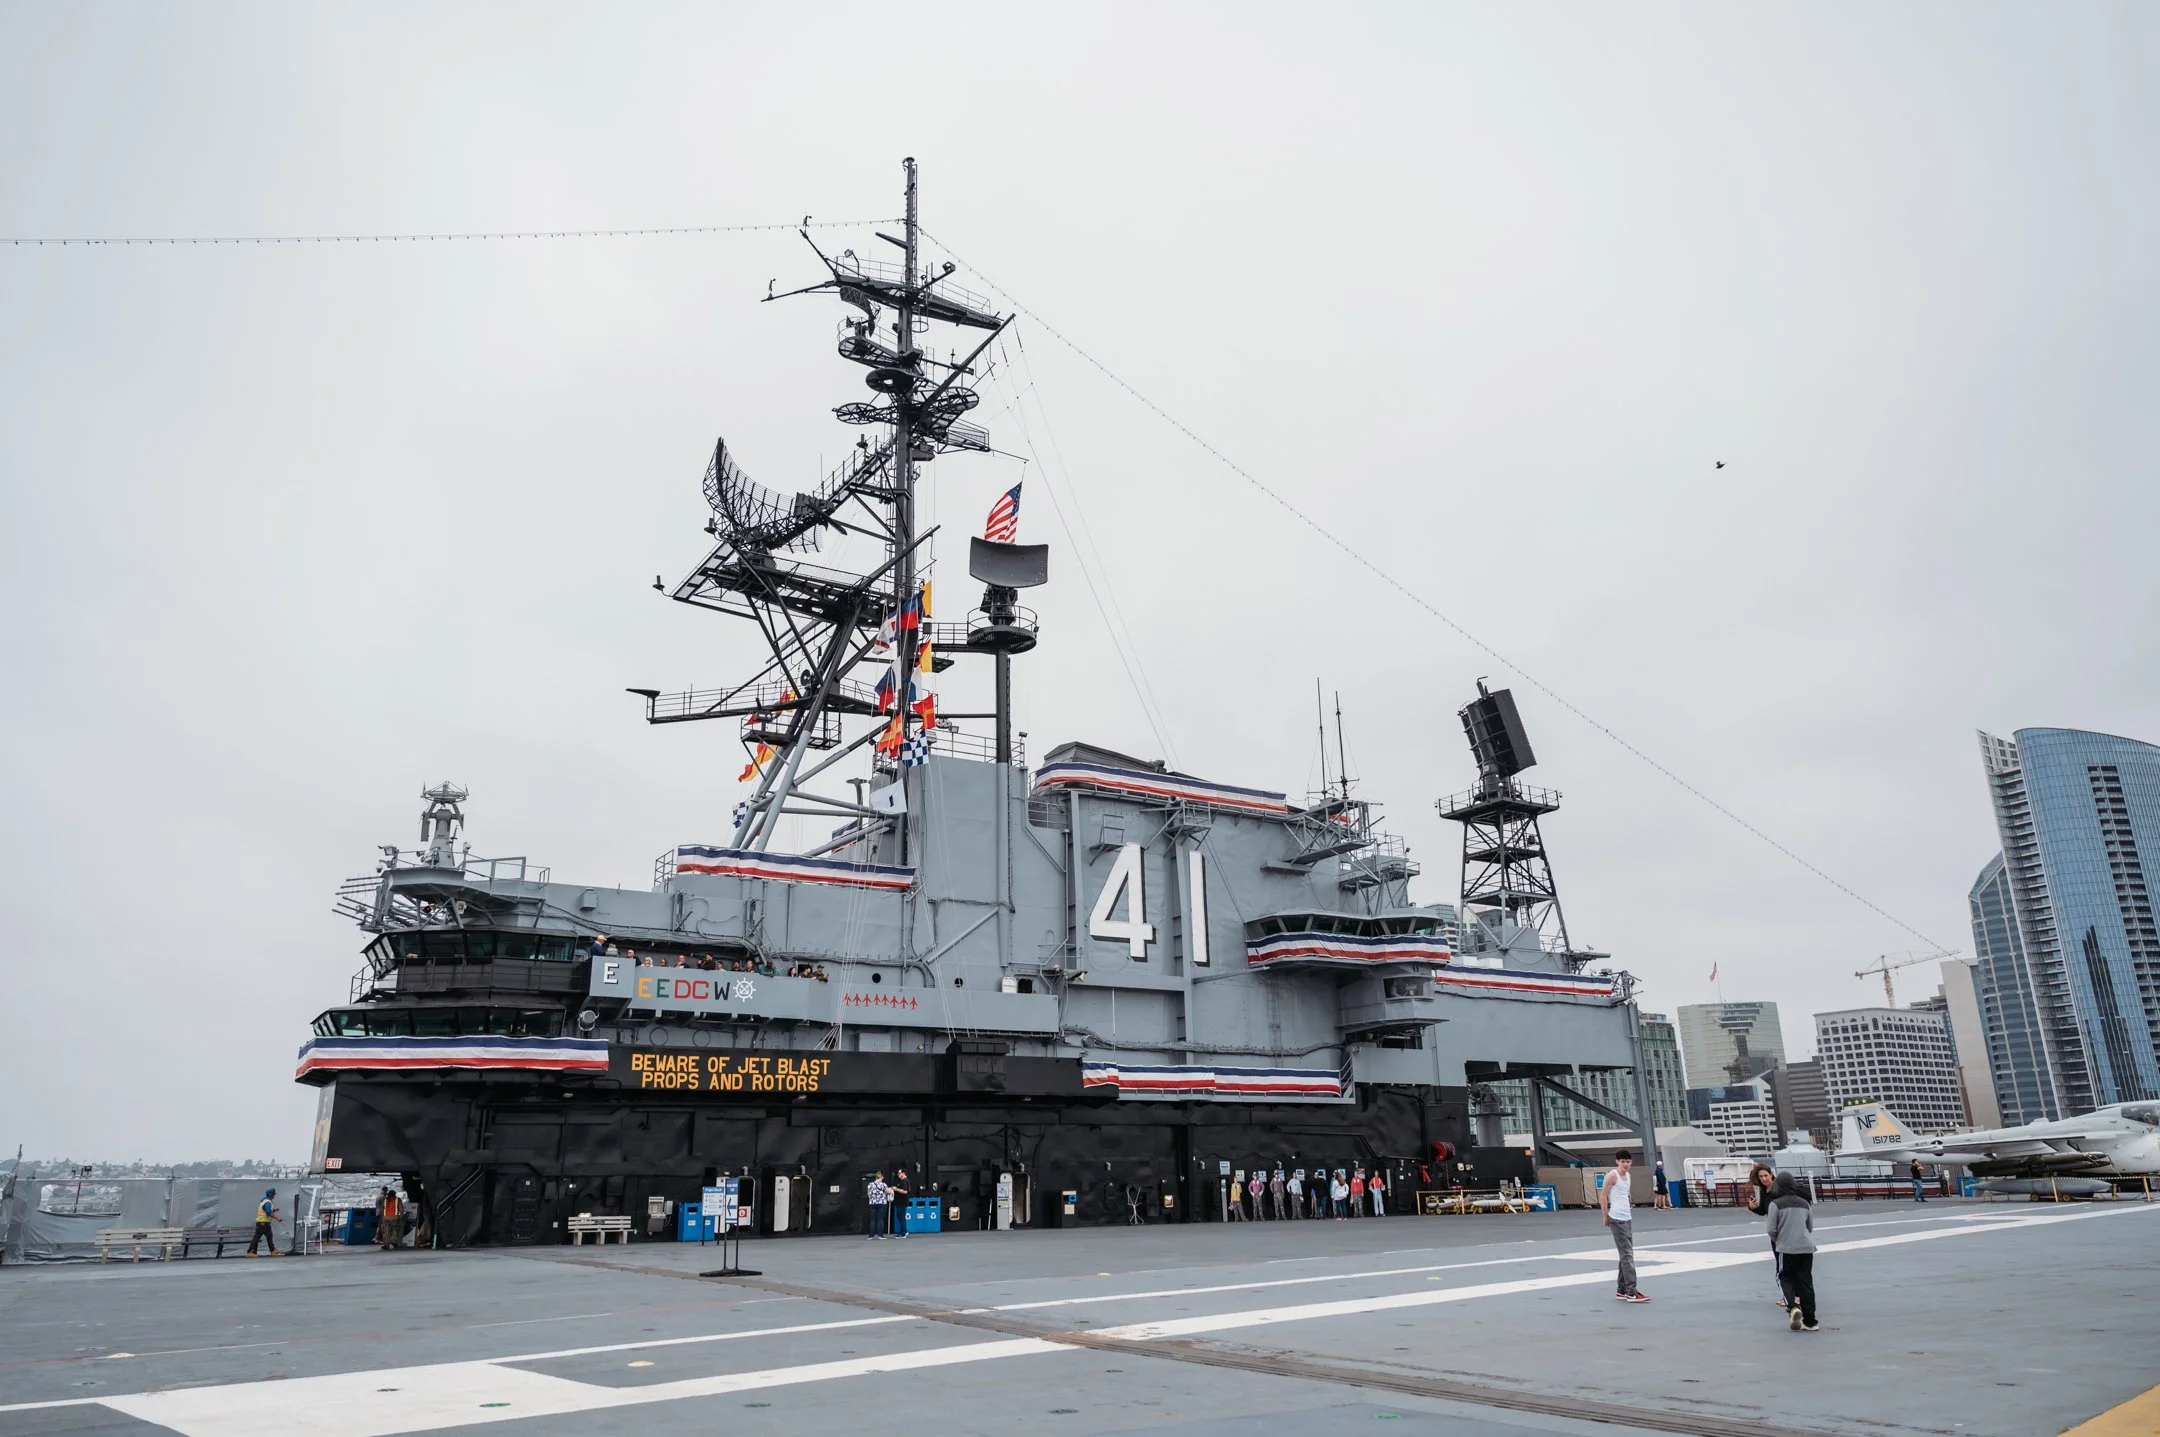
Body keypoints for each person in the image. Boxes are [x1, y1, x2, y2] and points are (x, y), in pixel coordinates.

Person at [1767, 1173, 1819, 1331]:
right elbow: (1810, 1227)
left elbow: (1771, 1229)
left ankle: (1792, 1306)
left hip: (1786, 1248)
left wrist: (1780, 1240)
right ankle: (1811, 1322)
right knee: (1806, 1283)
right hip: (1806, 1248)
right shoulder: (1804, 1203)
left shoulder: (1775, 1204)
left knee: (1784, 1277)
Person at [1602, 1151, 1647, 1302]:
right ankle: (1631, 1291)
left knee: (1625, 1254)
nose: (1626, 1164)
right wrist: (1605, 1215)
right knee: (1627, 1256)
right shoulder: (1612, 1175)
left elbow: (1625, 1194)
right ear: (1617, 1162)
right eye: (1623, 1161)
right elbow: (1603, 1195)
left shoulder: (1628, 1176)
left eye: (1628, 1161)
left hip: (1626, 1217)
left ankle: (1621, 1290)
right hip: (1617, 1218)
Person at [1745, 1162, 1783, 1308]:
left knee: (1784, 1265)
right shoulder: (1762, 1191)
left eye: (1766, 1175)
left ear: (1771, 1175)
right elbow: (1763, 1211)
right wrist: (1752, 1207)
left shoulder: (1778, 1189)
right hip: (1774, 1231)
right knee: (1780, 1263)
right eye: (1761, 1177)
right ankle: (1788, 1295)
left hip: (1783, 1228)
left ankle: (1790, 1296)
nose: (1764, 1179)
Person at [245, 1188, 280, 1257]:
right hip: (262, 1223)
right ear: (270, 1195)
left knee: (269, 1236)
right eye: (273, 1194)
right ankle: (250, 1252)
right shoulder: (267, 1202)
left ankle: (273, 1250)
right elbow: (268, 1213)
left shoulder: (266, 1201)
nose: (274, 1196)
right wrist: (277, 1218)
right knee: (256, 1238)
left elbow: (266, 1211)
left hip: (265, 1223)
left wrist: (274, 1210)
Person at [866, 1171, 892, 1239]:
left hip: (872, 1203)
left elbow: (868, 1194)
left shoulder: (870, 1184)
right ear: (882, 1177)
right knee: (880, 1219)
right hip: (882, 1203)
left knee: (872, 1220)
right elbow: (889, 1192)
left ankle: (871, 1236)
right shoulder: (883, 1184)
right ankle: (880, 1235)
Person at [889, 1168, 912, 1238]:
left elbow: (905, 1191)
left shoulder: (905, 1181)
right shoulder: (902, 1181)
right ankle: (904, 1231)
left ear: (903, 1173)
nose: (898, 1174)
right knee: (901, 1217)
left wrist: (896, 1189)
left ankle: (903, 1233)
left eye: (899, 1173)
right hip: (900, 1202)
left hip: (902, 1202)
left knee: (901, 1217)